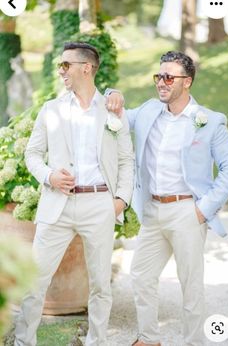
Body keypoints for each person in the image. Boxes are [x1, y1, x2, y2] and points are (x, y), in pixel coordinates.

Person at [107, 51, 228, 346]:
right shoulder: (149, 111)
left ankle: (193, 342)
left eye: (169, 77)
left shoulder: (210, 122)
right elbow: (116, 117)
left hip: (187, 211)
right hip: (153, 210)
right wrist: (112, 93)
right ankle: (149, 338)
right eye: (159, 76)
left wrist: (204, 209)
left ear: (186, 82)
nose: (161, 83)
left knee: (190, 284)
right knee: (141, 274)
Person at [14, 41, 134, 346]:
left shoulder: (112, 109)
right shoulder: (50, 109)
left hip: (99, 204)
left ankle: (96, 341)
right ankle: (22, 342)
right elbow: (32, 154)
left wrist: (121, 199)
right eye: (60, 65)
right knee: (35, 280)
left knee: (99, 286)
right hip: (58, 205)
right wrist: (49, 175)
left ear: (87, 68)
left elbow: (126, 159)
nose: (61, 71)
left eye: (66, 65)